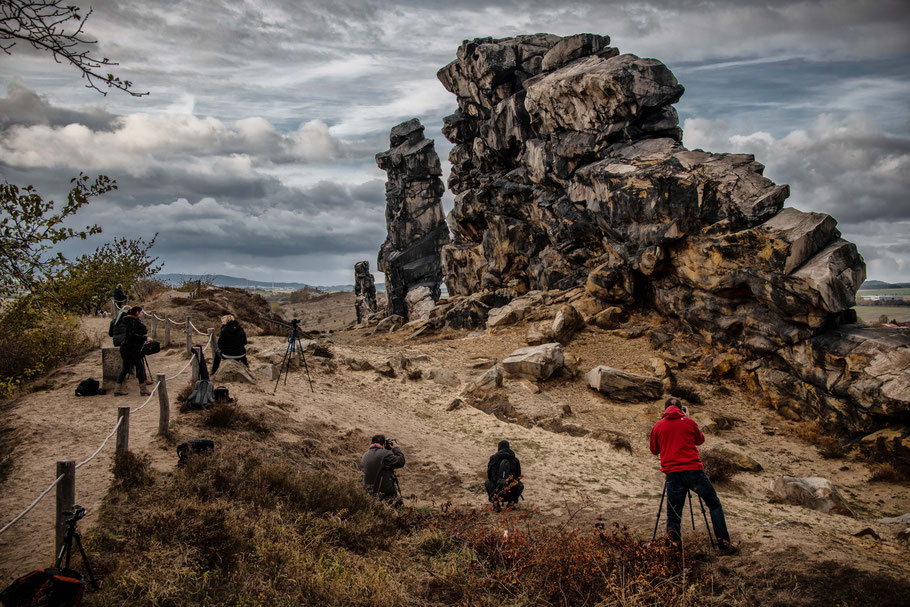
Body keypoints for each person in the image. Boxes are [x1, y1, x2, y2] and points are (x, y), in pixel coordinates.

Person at [649, 397, 736, 555]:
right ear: (681, 409)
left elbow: (654, 450)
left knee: (673, 514)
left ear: (665, 409)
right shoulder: (688, 422)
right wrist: (688, 419)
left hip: (673, 474)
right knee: (714, 504)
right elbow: (700, 440)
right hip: (694, 471)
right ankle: (724, 545)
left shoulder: (658, 426)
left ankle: (674, 549)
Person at [114, 306, 150, 396]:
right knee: (140, 368)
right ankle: (143, 389)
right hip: (132, 349)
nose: (141, 314)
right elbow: (132, 336)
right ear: (137, 313)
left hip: (126, 348)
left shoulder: (126, 320)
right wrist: (145, 338)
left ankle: (117, 389)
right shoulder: (132, 322)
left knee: (125, 369)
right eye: (141, 312)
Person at [360, 434, 405, 506]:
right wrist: (396, 448)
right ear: (384, 443)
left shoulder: (365, 455)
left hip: (369, 493)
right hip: (385, 495)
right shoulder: (385, 455)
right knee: (397, 506)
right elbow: (401, 462)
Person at [485, 439, 523, 511]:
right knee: (519, 485)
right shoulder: (515, 460)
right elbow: (518, 475)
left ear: (499, 448)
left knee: (487, 482)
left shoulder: (493, 458)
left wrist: (495, 481)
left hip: (496, 490)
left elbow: (489, 474)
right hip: (511, 490)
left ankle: (496, 503)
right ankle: (511, 503)